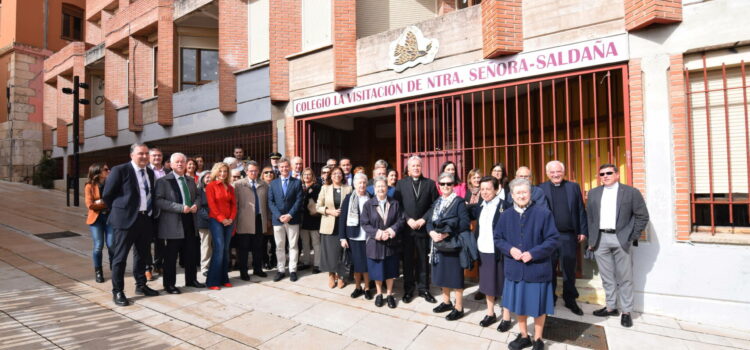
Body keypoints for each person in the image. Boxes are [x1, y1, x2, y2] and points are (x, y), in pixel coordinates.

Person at [494, 178, 560, 350]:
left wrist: (533, 253)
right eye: (518, 193)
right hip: (515, 269)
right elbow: (498, 238)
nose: (522, 195)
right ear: (512, 195)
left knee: (539, 307)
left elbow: (553, 239)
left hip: (537, 269)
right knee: (519, 304)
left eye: (525, 192)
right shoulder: (505, 215)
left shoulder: (543, 213)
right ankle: (524, 336)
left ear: (530, 193)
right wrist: (510, 250)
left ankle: (538, 339)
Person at [587, 164, 649, 328]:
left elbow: (642, 216)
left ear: (617, 175)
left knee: (625, 277)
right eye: (602, 174)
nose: (605, 176)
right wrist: (592, 240)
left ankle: (627, 311)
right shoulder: (594, 193)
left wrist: (632, 236)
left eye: (608, 173)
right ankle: (611, 307)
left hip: (621, 238)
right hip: (600, 239)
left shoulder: (630, 192)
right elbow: (590, 218)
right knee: (607, 277)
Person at [102, 143, 160, 306]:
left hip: (145, 219)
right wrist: (122, 210)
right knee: (120, 258)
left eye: (146, 154)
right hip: (125, 220)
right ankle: (118, 291)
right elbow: (107, 195)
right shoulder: (120, 170)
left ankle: (141, 285)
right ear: (132, 155)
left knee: (142, 256)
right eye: (140, 153)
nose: (144, 156)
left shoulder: (149, 171)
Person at [538, 160, 588, 315]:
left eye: (558, 171)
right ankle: (550, 298)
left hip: (568, 236)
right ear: (547, 174)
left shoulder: (573, 187)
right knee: (549, 269)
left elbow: (580, 209)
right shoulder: (541, 188)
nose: (555, 174)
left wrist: (582, 230)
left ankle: (570, 299)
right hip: (548, 237)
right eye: (552, 172)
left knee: (568, 269)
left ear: (563, 172)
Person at [154, 153, 204, 294]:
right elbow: (158, 200)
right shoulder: (163, 181)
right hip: (172, 222)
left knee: (191, 253)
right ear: (170, 164)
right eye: (177, 162)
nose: (180, 164)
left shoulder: (190, 180)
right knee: (171, 257)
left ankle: (191, 280)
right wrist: (179, 207)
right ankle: (169, 285)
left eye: (183, 161)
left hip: (190, 221)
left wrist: (196, 205)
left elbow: (199, 196)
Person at [394, 156, 439, 303]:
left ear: (421, 167)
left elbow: (434, 205)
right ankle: (408, 289)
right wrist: (408, 219)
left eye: (418, 165)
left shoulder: (430, 184)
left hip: (422, 228)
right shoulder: (400, 184)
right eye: (412, 166)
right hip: (407, 229)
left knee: (423, 260)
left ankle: (424, 289)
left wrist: (423, 219)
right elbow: (398, 205)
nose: (415, 168)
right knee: (407, 260)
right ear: (408, 168)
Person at [427, 172, 471, 321]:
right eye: (443, 184)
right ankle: (446, 302)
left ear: (453, 185)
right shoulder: (437, 202)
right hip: (437, 244)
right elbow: (428, 222)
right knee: (442, 274)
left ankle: (459, 307)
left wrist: (446, 233)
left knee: (455, 277)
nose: (446, 186)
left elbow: (465, 223)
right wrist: (432, 232)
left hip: (452, 245)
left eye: (449, 183)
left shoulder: (458, 202)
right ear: (439, 186)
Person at [471, 176, 512, 330]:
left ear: (496, 189)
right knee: (487, 285)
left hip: (499, 253)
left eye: (488, 189)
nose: (485, 192)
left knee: (504, 285)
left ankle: (506, 318)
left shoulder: (505, 206)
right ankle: (490, 313)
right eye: (482, 189)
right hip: (484, 251)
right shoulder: (480, 206)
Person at [361, 176, 404, 308]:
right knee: (377, 271)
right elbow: (364, 223)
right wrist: (378, 233)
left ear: (387, 188)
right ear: (374, 189)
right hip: (375, 243)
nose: (381, 188)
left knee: (390, 270)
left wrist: (391, 231)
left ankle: (390, 294)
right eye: (378, 186)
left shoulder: (395, 203)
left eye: (383, 186)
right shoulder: (368, 204)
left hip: (391, 243)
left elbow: (401, 220)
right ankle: (379, 294)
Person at [268, 157, 304, 282]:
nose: (284, 169)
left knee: (293, 245)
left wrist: (290, 214)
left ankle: (293, 270)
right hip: (278, 220)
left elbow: (299, 200)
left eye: (286, 166)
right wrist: (279, 215)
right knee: (279, 246)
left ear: (290, 167)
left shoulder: (297, 182)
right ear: (278, 168)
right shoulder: (273, 183)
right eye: (282, 167)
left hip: (292, 219)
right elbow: (271, 202)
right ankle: (281, 270)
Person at [233, 161, 270, 281]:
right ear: (246, 171)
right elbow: (235, 204)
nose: (253, 173)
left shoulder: (264, 184)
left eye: (255, 170)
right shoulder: (238, 184)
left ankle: (257, 269)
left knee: (258, 246)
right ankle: (243, 271)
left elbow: (268, 204)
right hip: (244, 219)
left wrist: (268, 219)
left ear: (258, 171)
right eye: (251, 171)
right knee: (243, 248)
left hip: (259, 219)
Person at [317, 166, 352, 288]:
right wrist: (329, 211)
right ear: (330, 176)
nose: (337, 175)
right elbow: (318, 206)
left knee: (342, 252)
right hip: (328, 224)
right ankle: (331, 275)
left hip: (343, 225)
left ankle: (341, 275)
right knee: (329, 252)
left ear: (342, 176)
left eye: (339, 173)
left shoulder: (348, 189)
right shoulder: (325, 188)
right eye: (334, 173)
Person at [339, 173, 372, 299]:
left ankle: (367, 288)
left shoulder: (371, 197)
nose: (362, 185)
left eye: (364, 183)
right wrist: (342, 237)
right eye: (359, 183)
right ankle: (358, 287)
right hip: (353, 236)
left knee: (367, 264)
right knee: (357, 264)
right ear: (355, 184)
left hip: (368, 237)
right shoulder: (349, 198)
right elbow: (342, 219)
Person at [205, 162, 237, 290]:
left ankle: (224, 278)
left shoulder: (230, 187)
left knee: (225, 250)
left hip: (229, 221)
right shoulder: (211, 186)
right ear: (216, 172)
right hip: (216, 221)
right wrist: (222, 219)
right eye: (220, 171)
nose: (223, 174)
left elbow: (234, 205)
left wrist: (230, 219)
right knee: (219, 249)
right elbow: (212, 206)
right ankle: (212, 281)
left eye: (225, 171)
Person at [85, 163, 114, 283]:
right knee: (98, 246)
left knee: (112, 244)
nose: (109, 171)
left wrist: (100, 203)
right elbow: (90, 205)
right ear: (98, 172)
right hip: (96, 219)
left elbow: (116, 200)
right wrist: (106, 203)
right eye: (106, 169)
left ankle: (114, 266)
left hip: (109, 218)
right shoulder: (89, 186)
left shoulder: (111, 183)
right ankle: (98, 271)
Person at [147, 147, 169, 280]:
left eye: (159, 156)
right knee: (146, 242)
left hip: (164, 212)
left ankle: (158, 264)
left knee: (161, 241)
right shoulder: (145, 171)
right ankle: (147, 267)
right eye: (154, 156)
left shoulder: (167, 171)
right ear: (149, 157)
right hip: (149, 212)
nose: (157, 158)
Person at [300, 167, 322, 273]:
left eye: (309, 174)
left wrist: (309, 191)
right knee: (305, 242)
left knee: (316, 243)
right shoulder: (300, 187)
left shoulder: (317, 186)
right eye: (305, 175)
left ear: (312, 176)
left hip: (314, 218)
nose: (307, 177)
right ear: (302, 177)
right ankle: (306, 262)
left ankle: (317, 264)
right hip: (303, 219)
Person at [196, 172, 213, 277]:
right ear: (202, 179)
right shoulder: (199, 191)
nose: (209, 179)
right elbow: (199, 207)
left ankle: (214, 266)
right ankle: (205, 267)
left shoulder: (216, 189)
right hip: (204, 221)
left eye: (211, 177)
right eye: (207, 177)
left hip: (217, 221)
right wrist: (210, 217)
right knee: (206, 245)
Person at [261, 165, 278, 269]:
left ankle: (274, 260)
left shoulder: (277, 185)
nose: (269, 174)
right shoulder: (260, 185)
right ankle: (265, 260)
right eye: (266, 172)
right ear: (262, 175)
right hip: (263, 218)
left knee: (275, 242)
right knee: (263, 242)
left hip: (276, 218)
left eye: (271, 172)